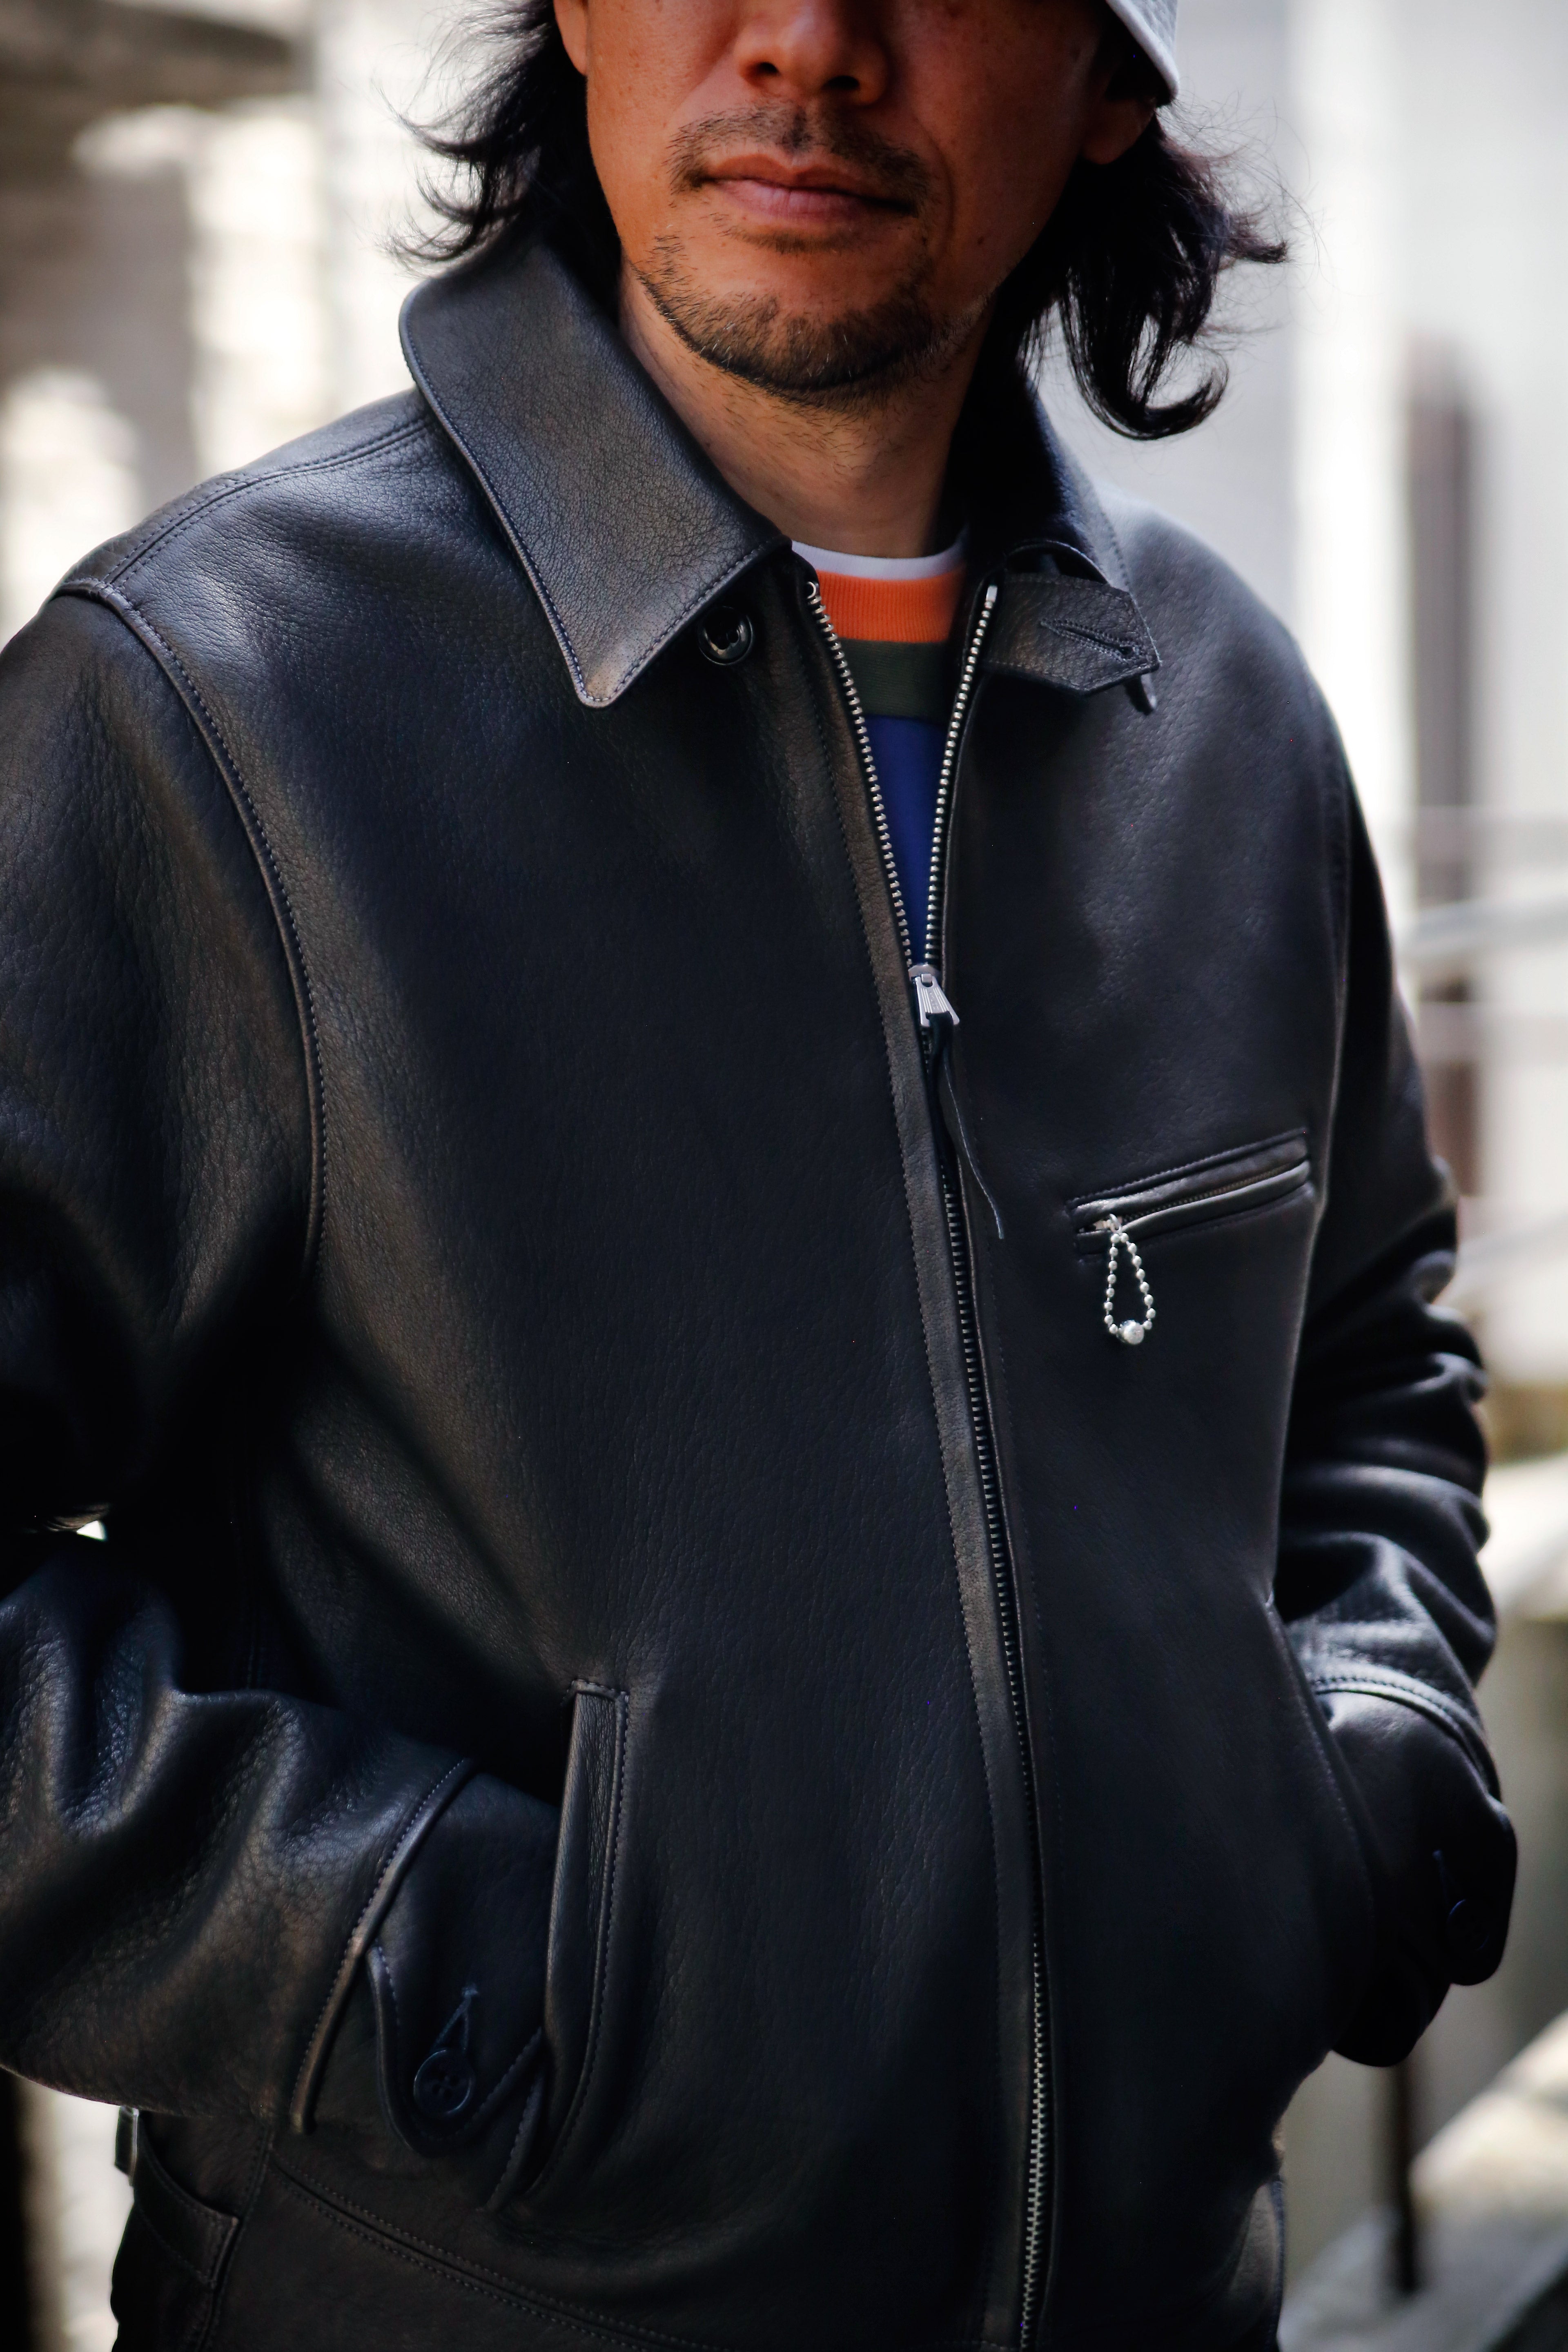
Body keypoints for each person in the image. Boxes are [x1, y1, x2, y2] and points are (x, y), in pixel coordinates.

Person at [0, 2, 1517, 2347]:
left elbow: (1370, 1358)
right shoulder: (212, 702)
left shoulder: (1223, 715)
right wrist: (433, 1966)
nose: (812, 40)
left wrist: (1360, 1784)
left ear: (1111, 80)